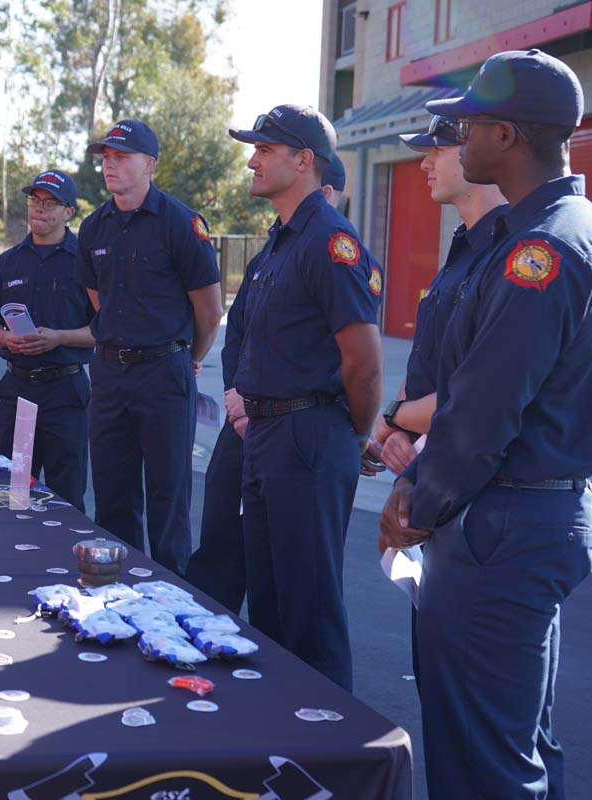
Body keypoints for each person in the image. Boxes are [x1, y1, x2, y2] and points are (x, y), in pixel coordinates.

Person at [380, 49, 592, 799]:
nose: (459, 136)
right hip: (518, 518)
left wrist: (418, 499)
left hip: (505, 526)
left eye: (471, 124)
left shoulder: (539, 251)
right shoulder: (545, 229)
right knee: (516, 746)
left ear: (508, 137)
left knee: (482, 763)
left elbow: (482, 412)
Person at [229, 104, 383, 690]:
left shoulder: (329, 241)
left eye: (265, 149)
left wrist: (356, 434)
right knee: (269, 606)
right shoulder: (280, 242)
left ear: (304, 160)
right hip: (269, 436)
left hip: (309, 437)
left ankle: (329, 753)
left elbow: (364, 365)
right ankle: (280, 737)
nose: (252, 159)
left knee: (310, 610)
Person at [186, 156, 354, 612]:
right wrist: (240, 397)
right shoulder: (271, 254)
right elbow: (237, 331)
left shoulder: (335, 249)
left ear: (327, 189)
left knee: (297, 588)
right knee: (224, 550)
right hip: (246, 425)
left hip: (296, 430)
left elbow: (357, 356)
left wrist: (356, 431)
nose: (252, 161)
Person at [375, 115, 508, 692]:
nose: (425, 162)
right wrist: (401, 434)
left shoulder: (511, 253)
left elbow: (479, 394)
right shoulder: (462, 248)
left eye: (438, 148)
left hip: (479, 506)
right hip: (433, 487)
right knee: (442, 688)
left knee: (481, 713)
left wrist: (394, 420)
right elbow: (428, 369)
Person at [76, 120, 222, 574]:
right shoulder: (94, 228)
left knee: (168, 499)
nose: (110, 165)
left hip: (164, 375)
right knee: (113, 496)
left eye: (121, 156)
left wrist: (188, 357)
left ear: (150, 164)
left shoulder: (180, 223)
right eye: (105, 157)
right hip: (110, 374)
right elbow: (99, 301)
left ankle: (173, 603)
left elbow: (209, 309)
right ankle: (115, 595)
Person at [0, 169, 95, 510]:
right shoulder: (9, 261)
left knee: (65, 497)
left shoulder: (85, 264)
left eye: (50, 203)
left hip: (65, 396)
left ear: (69, 211)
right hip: (18, 393)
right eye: (34, 200)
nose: (39, 209)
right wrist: (6, 339)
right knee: (8, 490)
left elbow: (102, 330)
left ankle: (62, 560)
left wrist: (58, 338)